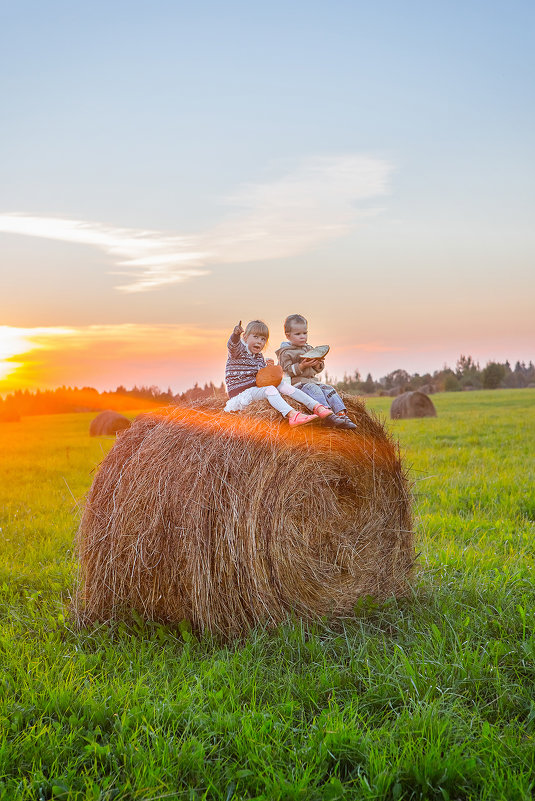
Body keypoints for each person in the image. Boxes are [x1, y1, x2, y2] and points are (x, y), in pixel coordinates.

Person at [224, 320, 340, 427]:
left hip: (255, 388)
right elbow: (232, 345)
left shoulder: (259, 356)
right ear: (245, 337)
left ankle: (316, 407)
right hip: (241, 392)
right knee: (270, 390)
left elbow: (260, 378)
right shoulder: (238, 351)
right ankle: (292, 415)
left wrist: (268, 368)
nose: (259, 341)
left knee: (283, 385)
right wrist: (235, 334)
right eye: (256, 337)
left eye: (263, 339)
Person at [276, 314, 357, 430]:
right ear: (288, 336)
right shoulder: (285, 352)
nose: (302, 337)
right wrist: (301, 366)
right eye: (298, 334)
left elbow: (317, 370)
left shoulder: (309, 349)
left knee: (329, 389)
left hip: (313, 381)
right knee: (315, 390)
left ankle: (341, 414)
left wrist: (318, 363)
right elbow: (286, 369)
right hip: (298, 385)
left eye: (305, 333)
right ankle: (327, 414)